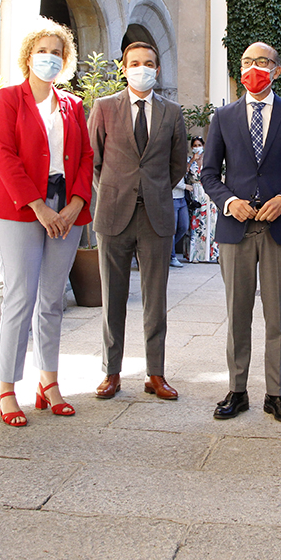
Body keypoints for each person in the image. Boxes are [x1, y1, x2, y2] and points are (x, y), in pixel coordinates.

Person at [201, 42, 281, 423]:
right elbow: (208, 174)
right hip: (235, 228)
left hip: (278, 229)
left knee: (277, 315)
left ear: (277, 70)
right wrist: (228, 200)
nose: (255, 68)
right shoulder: (222, 116)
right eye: (248, 62)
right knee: (237, 313)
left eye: (263, 62)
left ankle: (275, 393)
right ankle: (237, 390)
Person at [0, 20, 93, 426]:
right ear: (28, 56)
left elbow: (85, 158)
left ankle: (48, 383)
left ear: (64, 61)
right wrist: (39, 207)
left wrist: (74, 204)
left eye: (57, 52)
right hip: (20, 210)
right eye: (42, 50)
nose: (49, 58)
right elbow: (5, 155)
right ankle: (6, 388)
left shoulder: (72, 106)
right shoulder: (10, 99)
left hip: (67, 208)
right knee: (20, 298)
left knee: (52, 300)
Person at [88, 41, 188, 401]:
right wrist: (115, 191)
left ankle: (155, 373)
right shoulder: (103, 108)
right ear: (124, 68)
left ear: (157, 70)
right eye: (134, 63)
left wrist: (154, 189)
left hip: (156, 216)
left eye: (148, 63)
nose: (141, 68)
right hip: (114, 215)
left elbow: (178, 164)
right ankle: (111, 373)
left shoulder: (172, 112)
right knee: (112, 297)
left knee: (155, 300)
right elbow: (93, 160)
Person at [187, 136, 219, 263]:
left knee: (211, 223)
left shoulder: (208, 160)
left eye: (199, 145)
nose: (197, 147)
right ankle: (195, 255)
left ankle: (213, 254)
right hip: (195, 193)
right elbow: (182, 173)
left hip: (207, 192)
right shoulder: (189, 160)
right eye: (194, 145)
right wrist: (192, 161)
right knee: (196, 223)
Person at [170, 176, 189, 268]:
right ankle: (172, 257)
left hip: (182, 198)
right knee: (172, 229)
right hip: (172, 198)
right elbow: (172, 179)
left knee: (184, 226)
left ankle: (168, 249)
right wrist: (185, 186)